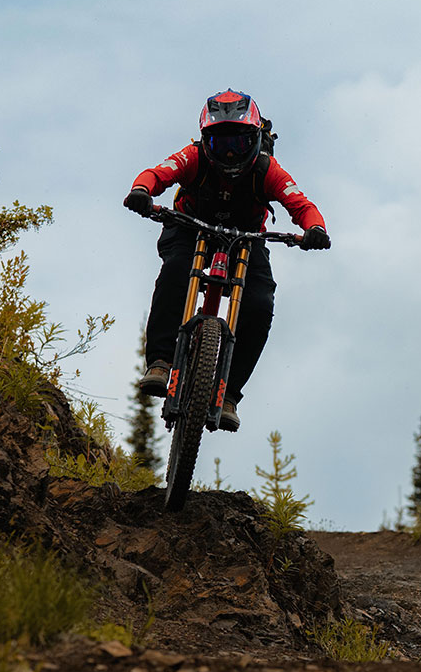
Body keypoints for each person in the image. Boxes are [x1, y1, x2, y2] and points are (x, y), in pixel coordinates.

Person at [123, 90, 329, 432]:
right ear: (205, 141)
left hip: (246, 239)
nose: (230, 151)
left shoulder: (267, 169)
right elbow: (158, 173)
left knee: (260, 305)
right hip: (190, 228)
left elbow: (300, 204)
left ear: (256, 140)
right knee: (175, 270)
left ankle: (229, 393)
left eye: (239, 141)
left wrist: (315, 228)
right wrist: (142, 191)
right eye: (220, 143)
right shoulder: (193, 157)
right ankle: (160, 361)